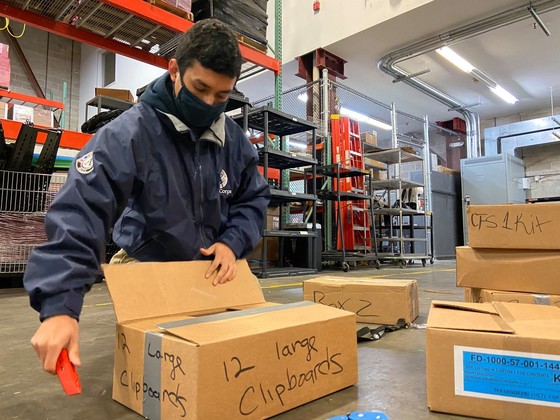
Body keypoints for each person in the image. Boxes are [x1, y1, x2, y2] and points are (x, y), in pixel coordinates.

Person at [23, 19, 271, 374]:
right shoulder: (130, 135)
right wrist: (61, 306)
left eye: (220, 96)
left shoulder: (235, 143)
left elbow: (252, 200)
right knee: (165, 372)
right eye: (199, 88)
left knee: (232, 366)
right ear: (174, 70)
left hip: (210, 269)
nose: (207, 103)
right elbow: (81, 209)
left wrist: (232, 243)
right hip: (148, 263)